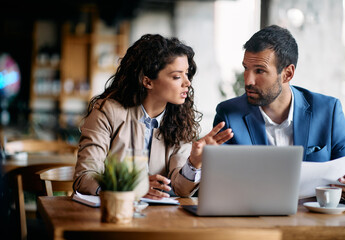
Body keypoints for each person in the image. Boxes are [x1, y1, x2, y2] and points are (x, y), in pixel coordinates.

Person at [73, 34, 233, 199]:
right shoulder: (108, 112)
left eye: (187, 74)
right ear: (147, 81)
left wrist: (193, 163)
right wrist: (133, 188)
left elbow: (180, 189)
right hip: (112, 214)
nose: (187, 83)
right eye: (177, 76)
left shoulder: (179, 120)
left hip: (158, 218)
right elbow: (84, 177)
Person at [213, 25, 345, 203]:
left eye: (259, 70)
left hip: (315, 221)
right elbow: (218, 182)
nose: (248, 80)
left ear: (287, 74)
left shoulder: (328, 110)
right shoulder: (229, 115)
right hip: (254, 220)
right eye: (246, 68)